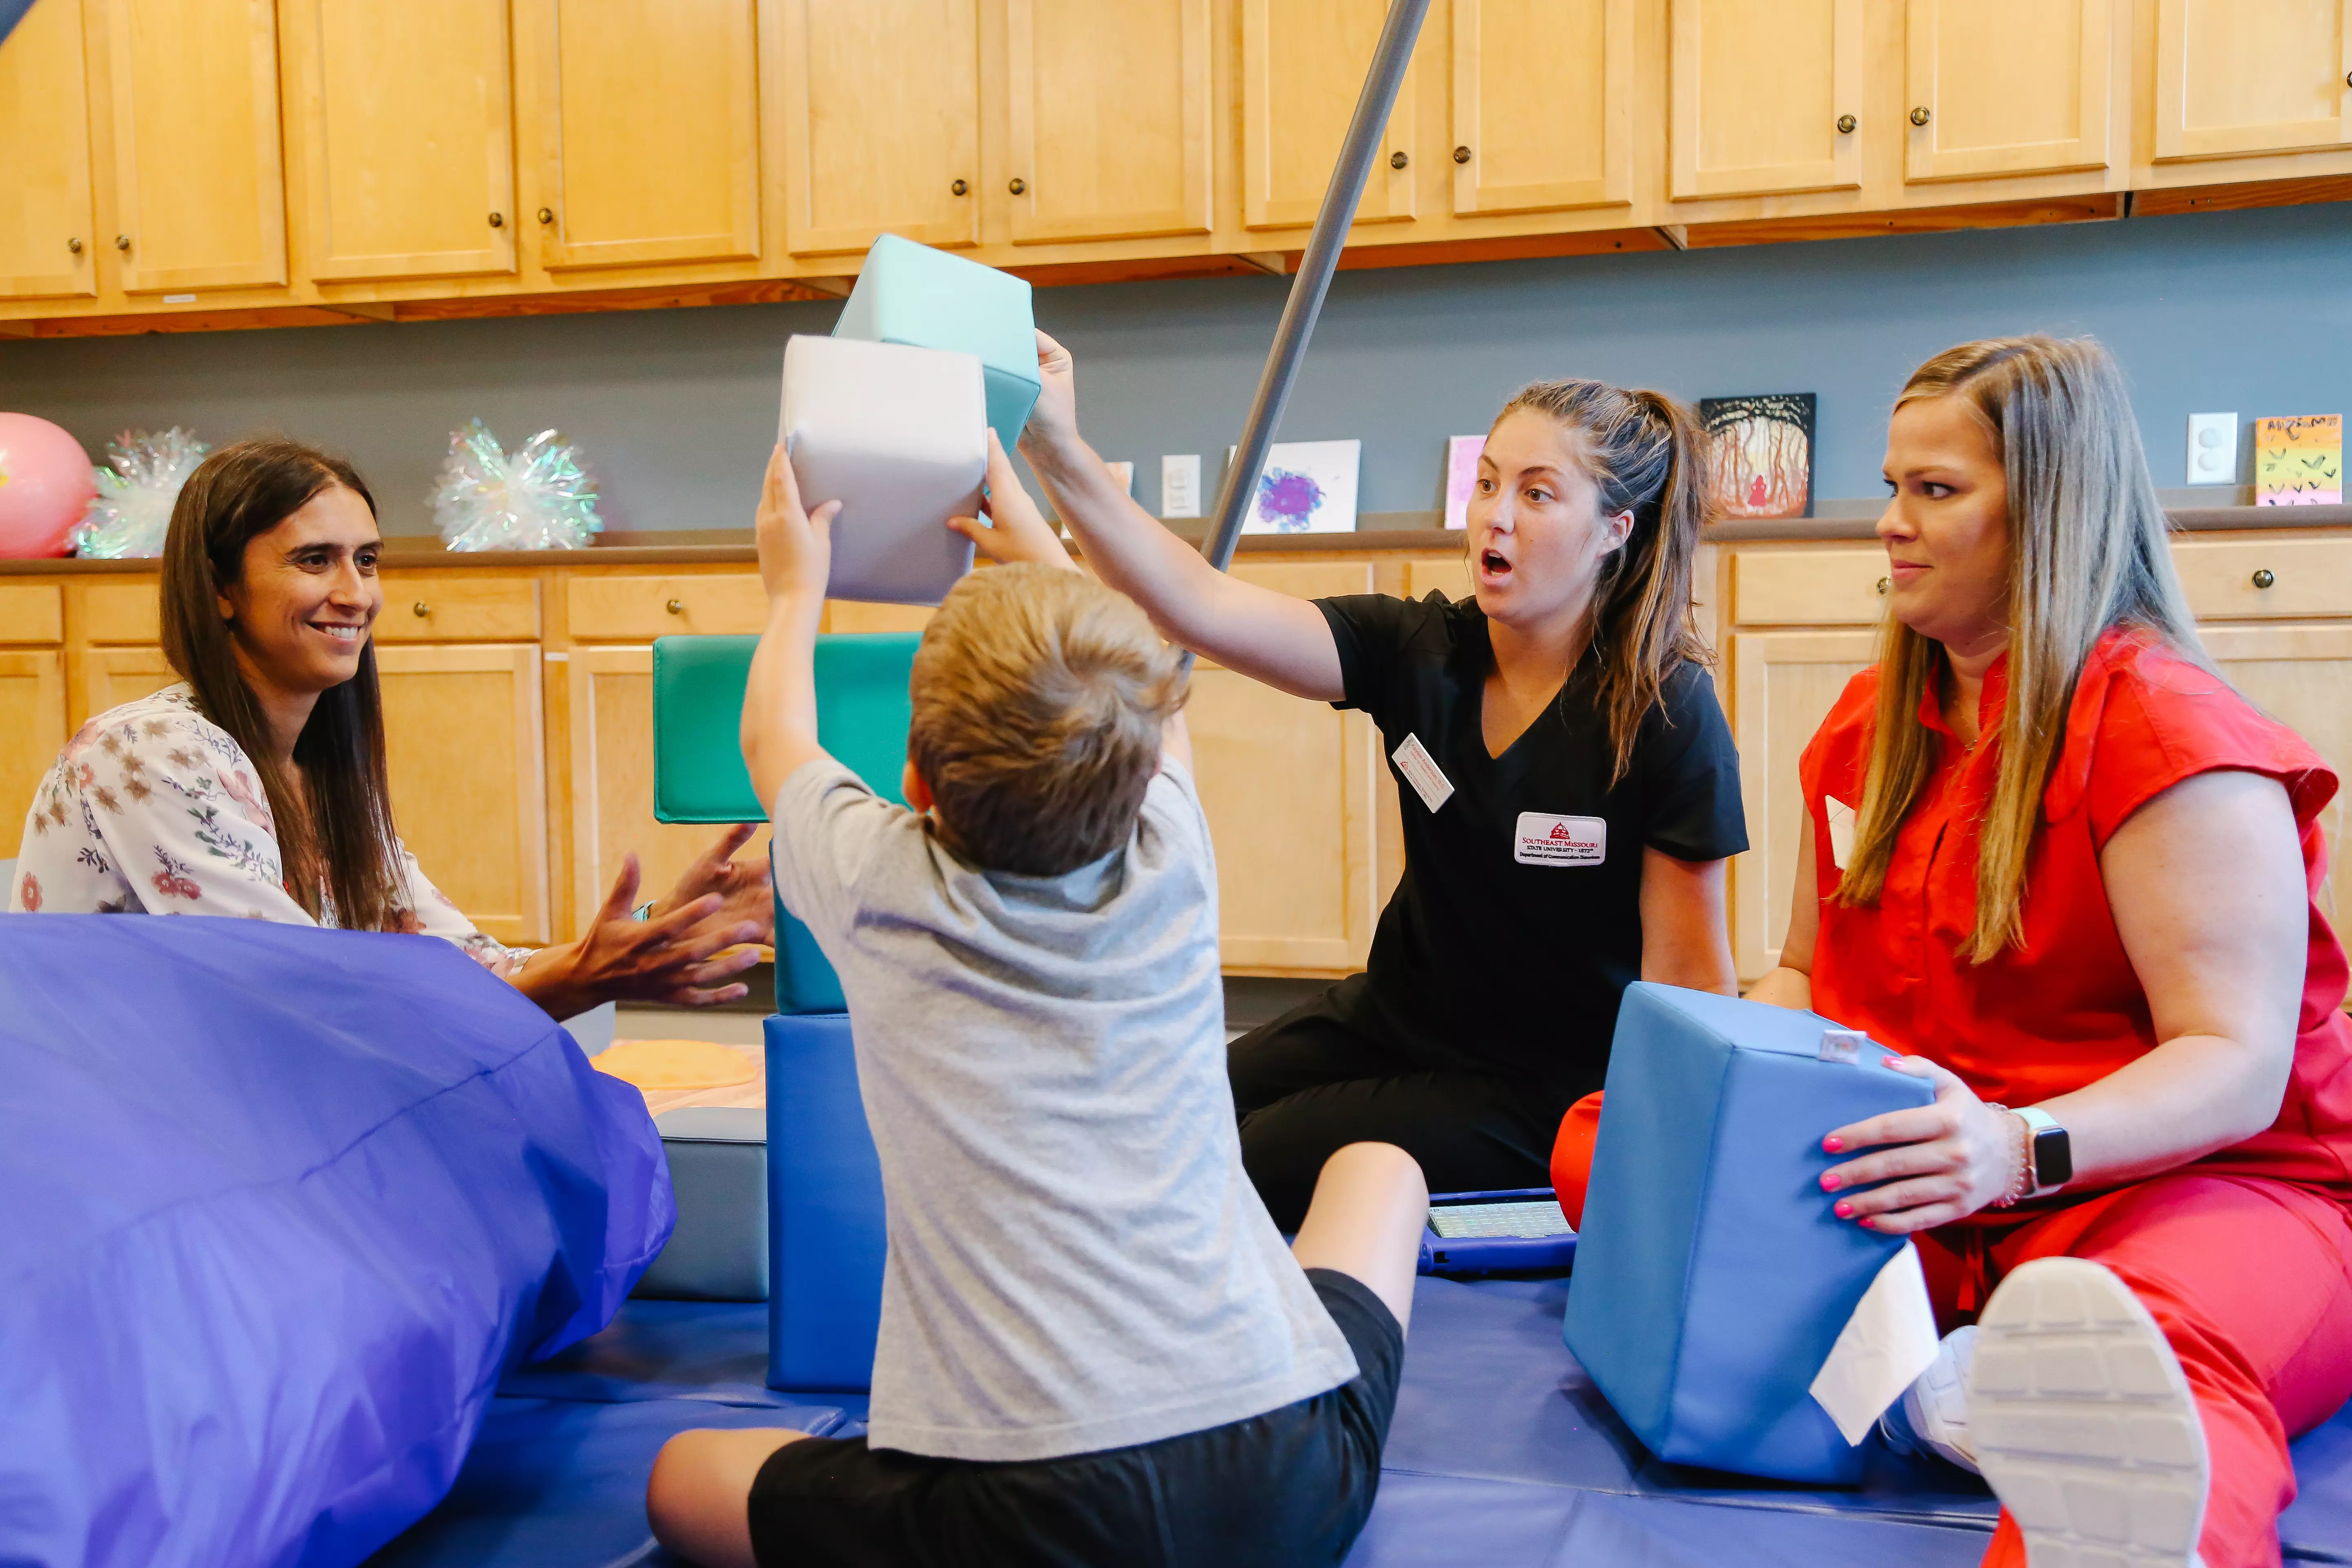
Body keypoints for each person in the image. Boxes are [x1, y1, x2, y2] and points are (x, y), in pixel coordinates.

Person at [643, 441, 1429, 1568]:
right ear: (1137, 763)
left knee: (682, 1481)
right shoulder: (1176, 856)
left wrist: (793, 589)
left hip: (1028, 1522)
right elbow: (1153, 708)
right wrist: (1044, 550)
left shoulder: (879, 882)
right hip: (1288, 1477)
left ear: (913, 784)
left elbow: (777, 740)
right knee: (1382, 1171)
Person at [1729, 336, 2352, 1568]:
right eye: (1892, 485)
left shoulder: (2171, 735)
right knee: (1609, 1140)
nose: (1889, 524)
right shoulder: (1869, 726)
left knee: (2150, 1354)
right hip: (1943, 1177)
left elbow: (2232, 1061)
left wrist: (2014, 1152)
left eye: (1936, 491)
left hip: (2183, 1180)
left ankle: (2021, 1413)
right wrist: (1738, 1079)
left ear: (2052, 514)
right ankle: (1955, 1374)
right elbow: (1803, 971)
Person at [1012, 331, 1745, 1227]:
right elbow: (1197, 606)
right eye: (1487, 483)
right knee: (1160, 1104)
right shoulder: (1419, 653)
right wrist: (1053, 445)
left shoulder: (1665, 715)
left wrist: (1671, 1197)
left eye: (1537, 494)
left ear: (1613, 533)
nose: (1494, 518)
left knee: (1228, 1161)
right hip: (1393, 1021)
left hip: (1540, 1089)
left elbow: (1692, 992)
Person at [7, 437, 769, 1020]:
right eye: (315, 560)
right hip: (130, 1154)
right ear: (219, 590)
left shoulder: (322, 776)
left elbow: (463, 962)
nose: (355, 594)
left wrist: (659, 924)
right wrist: (584, 978)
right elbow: (311, 998)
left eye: (367, 561)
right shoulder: (148, 752)